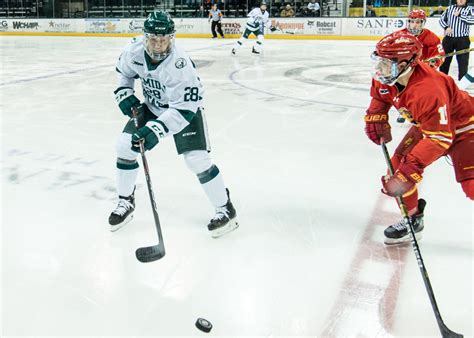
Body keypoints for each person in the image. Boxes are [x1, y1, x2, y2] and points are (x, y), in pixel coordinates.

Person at [110, 11, 238, 238]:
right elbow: (124, 73)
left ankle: (225, 209)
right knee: (124, 146)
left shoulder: (180, 65)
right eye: (153, 38)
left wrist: (154, 131)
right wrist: (124, 92)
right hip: (152, 106)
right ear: (145, 37)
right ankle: (125, 201)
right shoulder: (133, 50)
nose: (159, 44)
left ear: (172, 38)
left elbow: (183, 109)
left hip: (184, 111)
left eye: (164, 38)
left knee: (197, 160)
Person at [365, 31, 474, 244]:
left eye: (387, 63)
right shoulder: (388, 75)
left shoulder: (428, 89)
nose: (380, 69)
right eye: (379, 61)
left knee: (470, 184)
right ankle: (414, 220)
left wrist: (411, 169)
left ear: (407, 63)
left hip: (466, 127)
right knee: (395, 172)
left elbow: (439, 139)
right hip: (430, 126)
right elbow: (380, 95)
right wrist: (376, 115)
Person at [439, 0, 474, 80]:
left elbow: (472, 20)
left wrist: (460, 15)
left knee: (463, 63)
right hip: (448, 39)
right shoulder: (450, 8)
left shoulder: (470, 9)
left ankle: (462, 84)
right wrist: (446, 27)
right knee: (444, 62)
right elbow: (441, 20)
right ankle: (442, 81)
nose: (461, 0)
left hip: (462, 40)